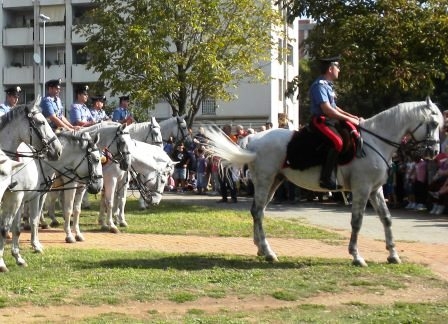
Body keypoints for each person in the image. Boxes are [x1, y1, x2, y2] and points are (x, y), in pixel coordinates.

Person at [309, 56, 362, 190]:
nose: (339, 70)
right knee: (337, 142)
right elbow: (328, 110)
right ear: (330, 69)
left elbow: (335, 107)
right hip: (321, 120)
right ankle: (325, 178)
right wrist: (350, 119)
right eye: (337, 67)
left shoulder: (328, 85)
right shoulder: (319, 85)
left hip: (331, 120)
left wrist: (352, 116)